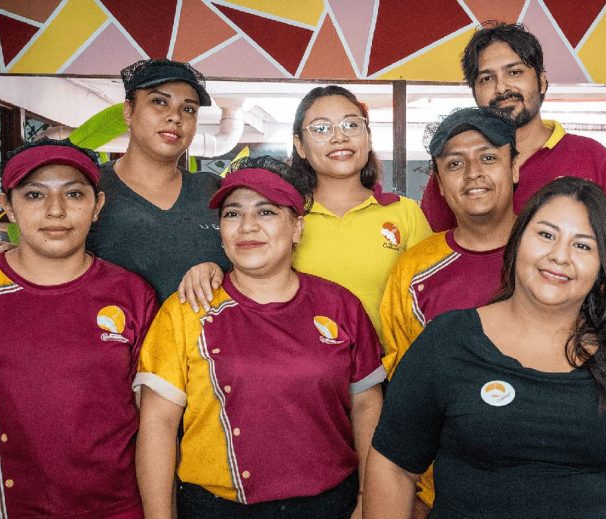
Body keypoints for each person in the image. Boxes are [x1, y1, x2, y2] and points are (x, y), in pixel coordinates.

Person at [366, 178, 606, 519]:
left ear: (602, 268)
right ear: (517, 239)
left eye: (583, 245)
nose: (560, 256)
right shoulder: (448, 341)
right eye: (546, 235)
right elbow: (394, 466)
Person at [0, 139, 157, 519]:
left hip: (113, 516)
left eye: (74, 193)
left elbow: (151, 415)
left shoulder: (131, 293)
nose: (55, 210)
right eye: (34, 195)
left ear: (97, 206)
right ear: (7, 206)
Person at [134, 156, 385, 519]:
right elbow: (157, 424)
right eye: (232, 215)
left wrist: (370, 497)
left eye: (266, 212)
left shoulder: (340, 306)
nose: (247, 227)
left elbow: (367, 407)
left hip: (329, 512)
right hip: (218, 517)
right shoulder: (187, 310)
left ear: (297, 227)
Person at [0, 59, 230, 301]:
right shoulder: (86, 190)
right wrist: (17, 254)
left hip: (203, 351)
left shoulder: (214, 190)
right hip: (111, 348)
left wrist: (216, 269)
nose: (175, 117)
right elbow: (55, 258)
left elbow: (253, 263)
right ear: (128, 111)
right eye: (159, 102)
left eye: (189, 109)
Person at [178, 86, 431, 337]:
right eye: (321, 128)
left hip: (393, 371)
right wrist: (211, 269)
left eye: (351, 125)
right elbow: (246, 274)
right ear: (300, 145)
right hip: (300, 368)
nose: (339, 137)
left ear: (368, 137)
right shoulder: (281, 216)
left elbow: (431, 297)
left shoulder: (404, 212)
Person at [377, 107, 518, 519]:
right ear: (438, 181)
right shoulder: (414, 269)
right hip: (445, 502)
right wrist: (415, 496)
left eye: (488, 157)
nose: (472, 173)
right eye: (455, 163)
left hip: (551, 491)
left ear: (515, 167)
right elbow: (405, 400)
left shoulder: (552, 255)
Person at [418, 23, 606, 231]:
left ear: (542, 81)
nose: (501, 87)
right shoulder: (457, 167)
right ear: (474, 91)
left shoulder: (591, 156)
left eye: (514, 72)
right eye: (486, 78)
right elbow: (429, 256)